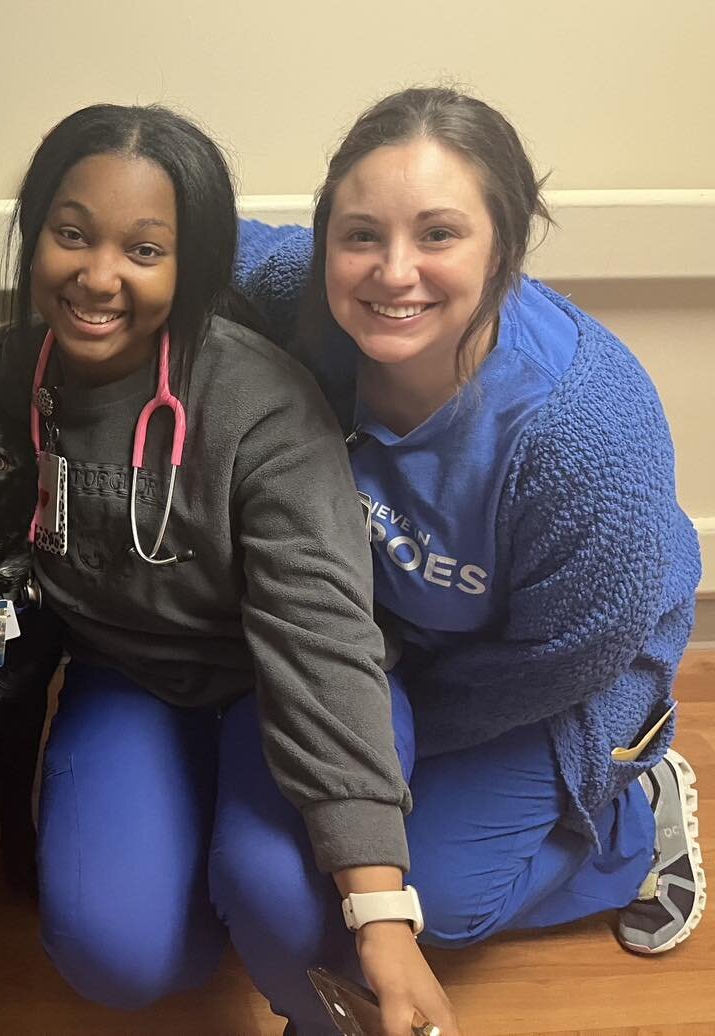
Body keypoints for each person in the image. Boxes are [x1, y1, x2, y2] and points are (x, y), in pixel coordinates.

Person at [0, 104, 459, 1036]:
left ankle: (257, 871)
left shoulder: (261, 405)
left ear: (191, 265)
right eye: (71, 235)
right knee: (117, 957)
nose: (97, 277)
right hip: (128, 683)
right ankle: (201, 861)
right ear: (35, 236)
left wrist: (379, 911)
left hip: (272, 683)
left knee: (292, 915)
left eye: (144, 250)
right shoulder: (8, 369)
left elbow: (325, 645)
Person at [236, 86, 704, 963]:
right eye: (361, 233)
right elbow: (194, 229)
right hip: (406, 636)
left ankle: (630, 824)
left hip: (563, 671)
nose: (393, 271)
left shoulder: (584, 433)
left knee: (432, 903)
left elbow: (566, 656)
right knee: (321, 854)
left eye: (439, 234)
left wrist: (399, 734)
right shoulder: (301, 298)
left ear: (506, 250)